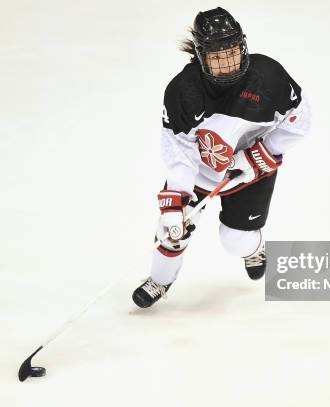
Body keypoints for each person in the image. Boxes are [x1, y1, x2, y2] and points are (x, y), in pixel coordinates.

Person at [132, 7, 311, 308]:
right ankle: (160, 280)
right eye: (216, 58)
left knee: (234, 240)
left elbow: (300, 120)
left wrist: (258, 158)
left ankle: (253, 247)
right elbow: (180, 152)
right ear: (200, 57)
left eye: (231, 53)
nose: (227, 64)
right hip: (201, 172)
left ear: (243, 46)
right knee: (171, 232)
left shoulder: (269, 77)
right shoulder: (182, 92)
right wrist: (175, 201)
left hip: (250, 171)